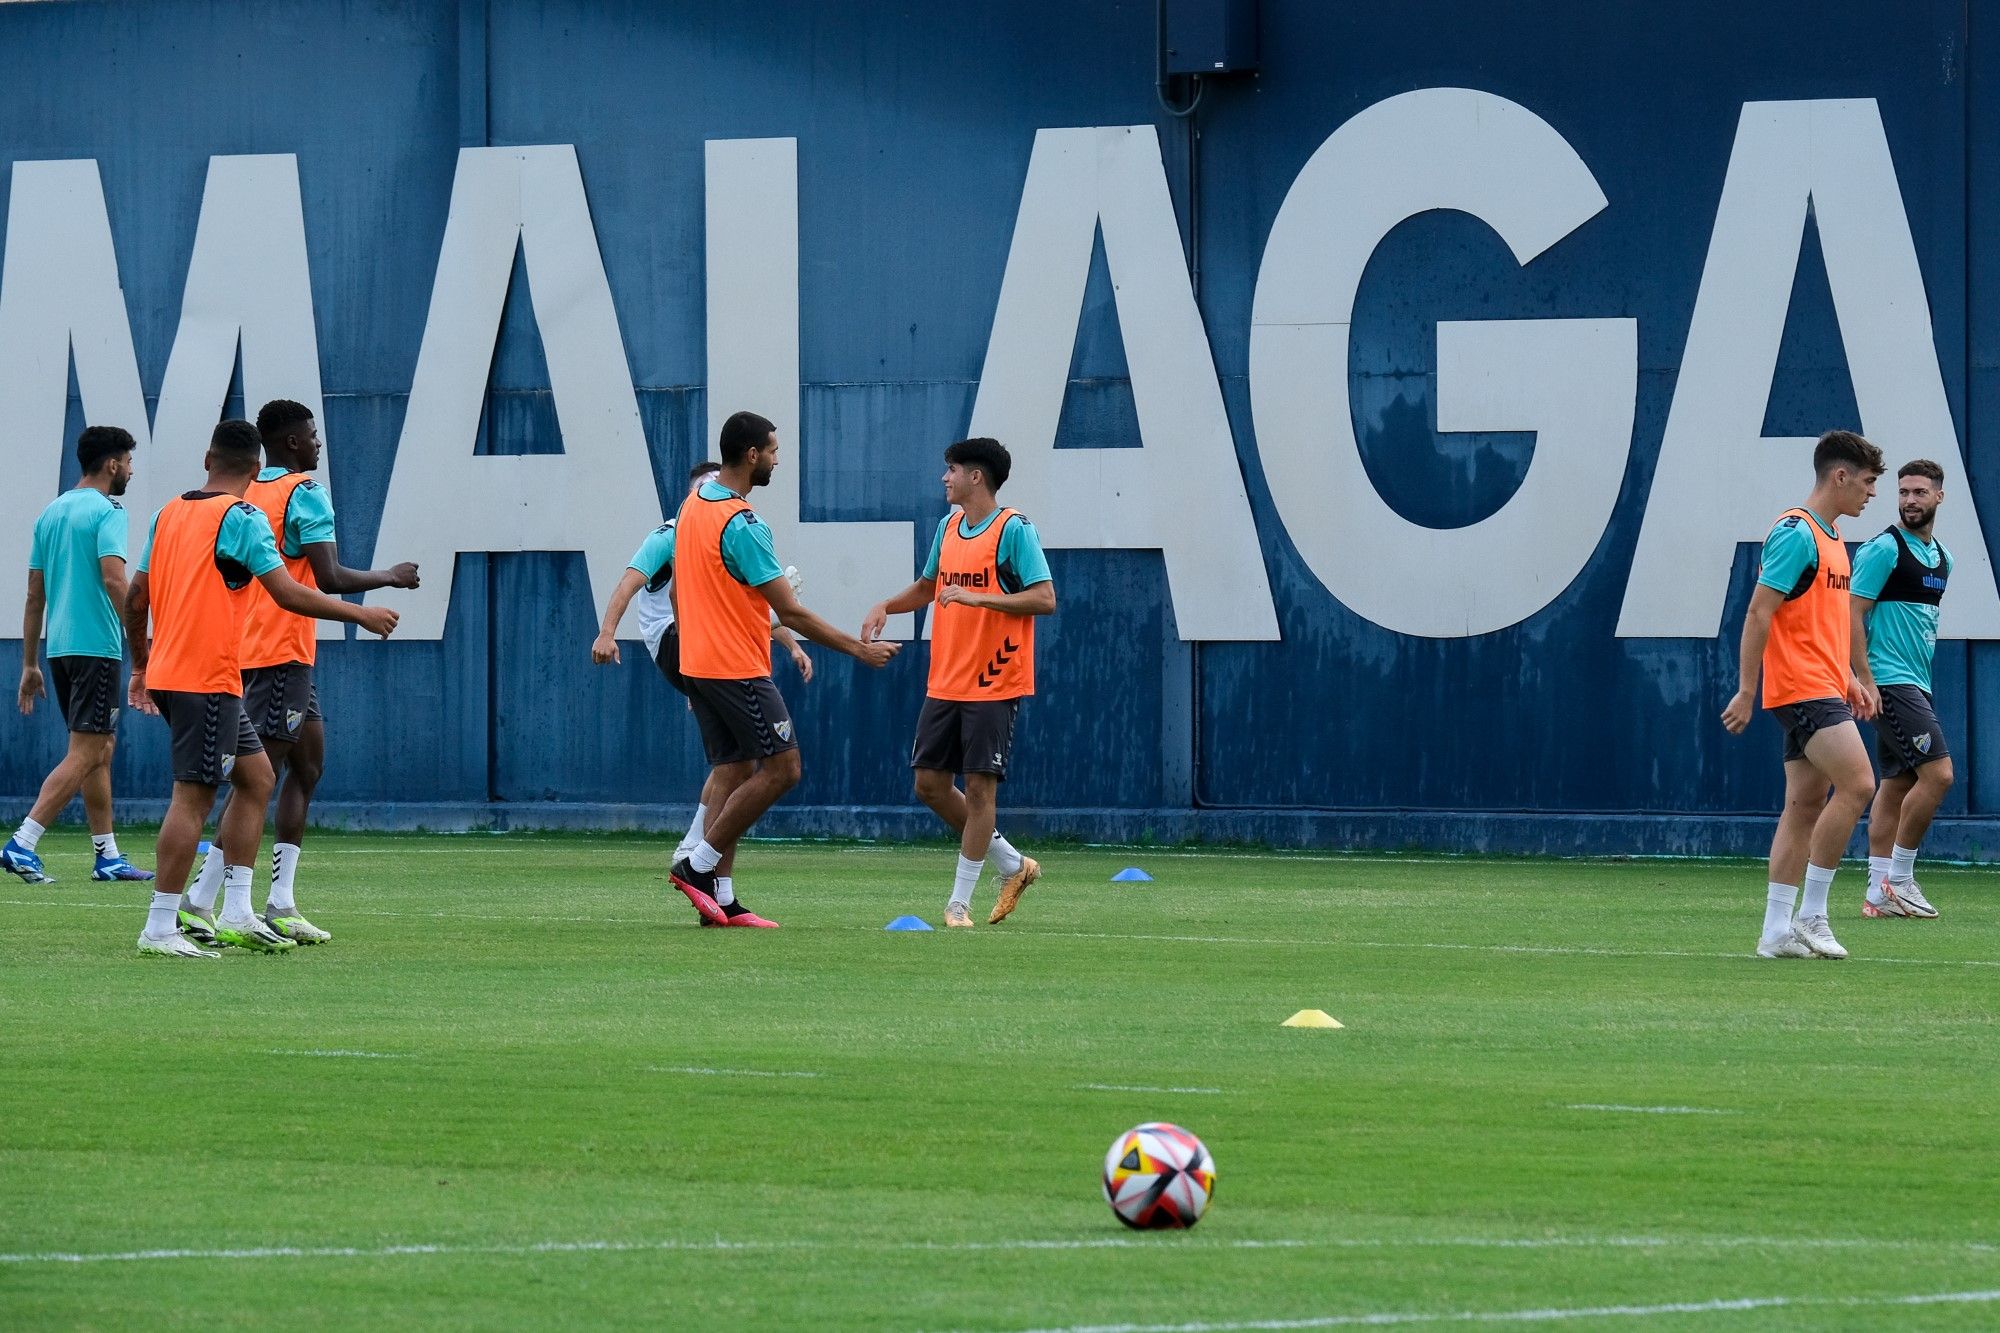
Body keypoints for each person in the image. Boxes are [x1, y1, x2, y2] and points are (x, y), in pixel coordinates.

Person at [123, 419, 399, 959]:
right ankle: (160, 924)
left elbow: (136, 597)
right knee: (192, 798)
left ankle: (238, 909)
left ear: (207, 459)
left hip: (187, 673)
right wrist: (358, 614)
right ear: (255, 470)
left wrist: (140, 666)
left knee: (257, 778)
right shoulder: (241, 517)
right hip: (205, 677)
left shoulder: (167, 512)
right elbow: (289, 593)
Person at [666, 411, 899, 927]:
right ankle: (696, 864)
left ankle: (721, 898)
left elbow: (680, 590)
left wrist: (690, 659)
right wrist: (860, 652)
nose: (776, 458)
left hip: (700, 665)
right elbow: (790, 612)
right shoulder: (742, 523)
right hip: (736, 667)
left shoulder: (691, 508)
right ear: (751, 455)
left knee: (737, 771)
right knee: (784, 768)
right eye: (772, 450)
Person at [590, 461, 813, 922]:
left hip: (708, 643)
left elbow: (742, 608)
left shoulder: (722, 532)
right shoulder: (671, 533)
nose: (714, 497)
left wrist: (790, 643)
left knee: (738, 767)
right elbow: (629, 582)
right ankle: (697, 854)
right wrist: (607, 631)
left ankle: (721, 894)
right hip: (677, 641)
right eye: (705, 490)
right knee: (767, 766)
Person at [864, 438, 1053, 927]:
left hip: (994, 679)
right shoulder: (948, 526)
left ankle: (958, 904)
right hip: (945, 679)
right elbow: (929, 587)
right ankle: (1013, 864)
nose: (944, 478)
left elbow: (1045, 598)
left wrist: (980, 600)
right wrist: (887, 604)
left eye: (952, 470)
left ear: (977, 477)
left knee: (981, 791)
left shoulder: (1014, 529)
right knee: (928, 784)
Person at [1722, 429, 1884, 961]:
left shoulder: (1833, 538)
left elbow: (1820, 626)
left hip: (1821, 684)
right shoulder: (1797, 533)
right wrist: (1748, 690)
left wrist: (1851, 679)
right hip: (1801, 688)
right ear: (1839, 476)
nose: (1872, 493)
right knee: (1859, 784)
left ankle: (1775, 931)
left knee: (1805, 803)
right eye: (1867, 481)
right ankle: (1812, 914)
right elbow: (1758, 612)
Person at [3, 426, 154, 884]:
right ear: (112, 464)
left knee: (98, 749)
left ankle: (107, 856)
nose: (131, 469)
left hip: (60, 650)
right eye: (128, 461)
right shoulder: (109, 509)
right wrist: (141, 638)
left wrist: (30, 663)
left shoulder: (51, 512)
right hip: (96, 649)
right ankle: (21, 844)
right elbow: (114, 580)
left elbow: (34, 595)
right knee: (89, 748)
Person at [1850, 459, 1953, 920]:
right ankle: (1902, 879)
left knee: (1899, 782)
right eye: (1903, 492)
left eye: (1919, 492)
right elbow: (1851, 614)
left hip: (1918, 683)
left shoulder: (1943, 558)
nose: (1909, 500)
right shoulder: (1883, 550)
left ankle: (1877, 892)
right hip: (1889, 682)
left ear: (1938, 497)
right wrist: (1863, 679)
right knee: (1939, 775)